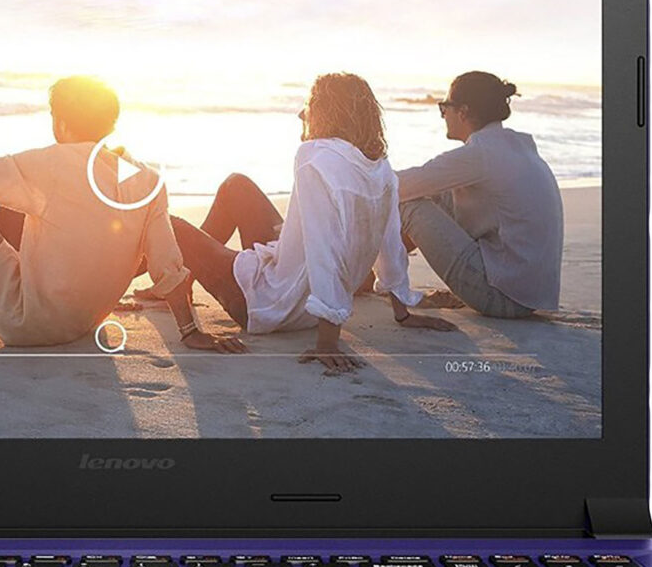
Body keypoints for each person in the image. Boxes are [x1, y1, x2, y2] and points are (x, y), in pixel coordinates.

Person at [0, 75, 243, 353]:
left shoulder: (49, 164)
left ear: (61, 122)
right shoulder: (148, 179)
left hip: (29, 322)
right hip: (86, 319)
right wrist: (190, 330)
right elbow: (167, 264)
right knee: (16, 210)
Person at [160, 72, 455, 375]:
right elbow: (390, 245)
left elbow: (324, 248)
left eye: (310, 104)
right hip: (309, 306)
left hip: (266, 306)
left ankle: (177, 291)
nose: (303, 113)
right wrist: (402, 312)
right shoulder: (380, 168)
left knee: (168, 224)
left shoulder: (314, 157)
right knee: (236, 185)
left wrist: (327, 341)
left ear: (326, 111)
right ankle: (181, 276)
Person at [395, 71, 563, 318]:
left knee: (408, 204)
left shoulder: (481, 153)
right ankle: (373, 277)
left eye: (444, 107)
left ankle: (375, 280)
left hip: (504, 296)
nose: (443, 115)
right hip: (529, 292)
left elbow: (396, 186)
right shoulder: (515, 146)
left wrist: (352, 175)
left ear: (463, 111)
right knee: (435, 193)